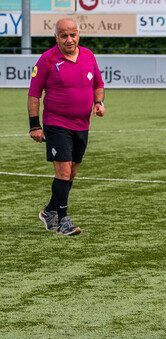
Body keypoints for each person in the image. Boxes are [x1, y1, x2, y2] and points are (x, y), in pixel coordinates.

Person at [28, 18, 105, 236]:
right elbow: (34, 94)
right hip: (56, 124)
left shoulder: (89, 55)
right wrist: (35, 125)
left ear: (78, 35)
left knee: (71, 173)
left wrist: (98, 103)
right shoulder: (47, 60)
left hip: (82, 125)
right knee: (63, 171)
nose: (69, 39)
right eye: (64, 35)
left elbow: (98, 84)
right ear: (57, 37)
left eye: (73, 35)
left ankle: (49, 210)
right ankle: (63, 221)